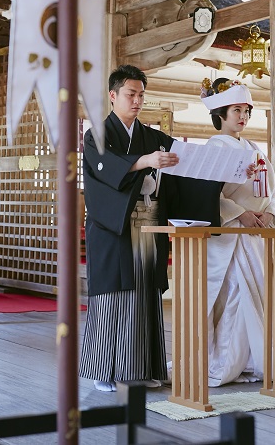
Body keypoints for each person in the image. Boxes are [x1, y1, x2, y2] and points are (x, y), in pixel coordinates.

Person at [201, 78, 275, 386]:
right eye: (236, 110)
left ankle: (253, 359)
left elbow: (273, 190)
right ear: (220, 114)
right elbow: (209, 195)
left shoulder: (254, 149)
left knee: (261, 296)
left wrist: (268, 213)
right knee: (236, 296)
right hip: (232, 235)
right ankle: (226, 360)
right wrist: (240, 213)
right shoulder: (214, 147)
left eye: (246, 111)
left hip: (255, 235)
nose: (242, 117)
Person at [79, 65, 183, 393]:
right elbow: (105, 167)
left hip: (147, 222)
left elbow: (182, 160)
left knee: (146, 295)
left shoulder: (153, 137)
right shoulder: (96, 133)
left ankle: (145, 367)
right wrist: (144, 161)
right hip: (112, 225)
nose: (137, 100)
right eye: (130, 94)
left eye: (141, 95)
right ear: (113, 96)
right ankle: (105, 370)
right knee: (113, 295)